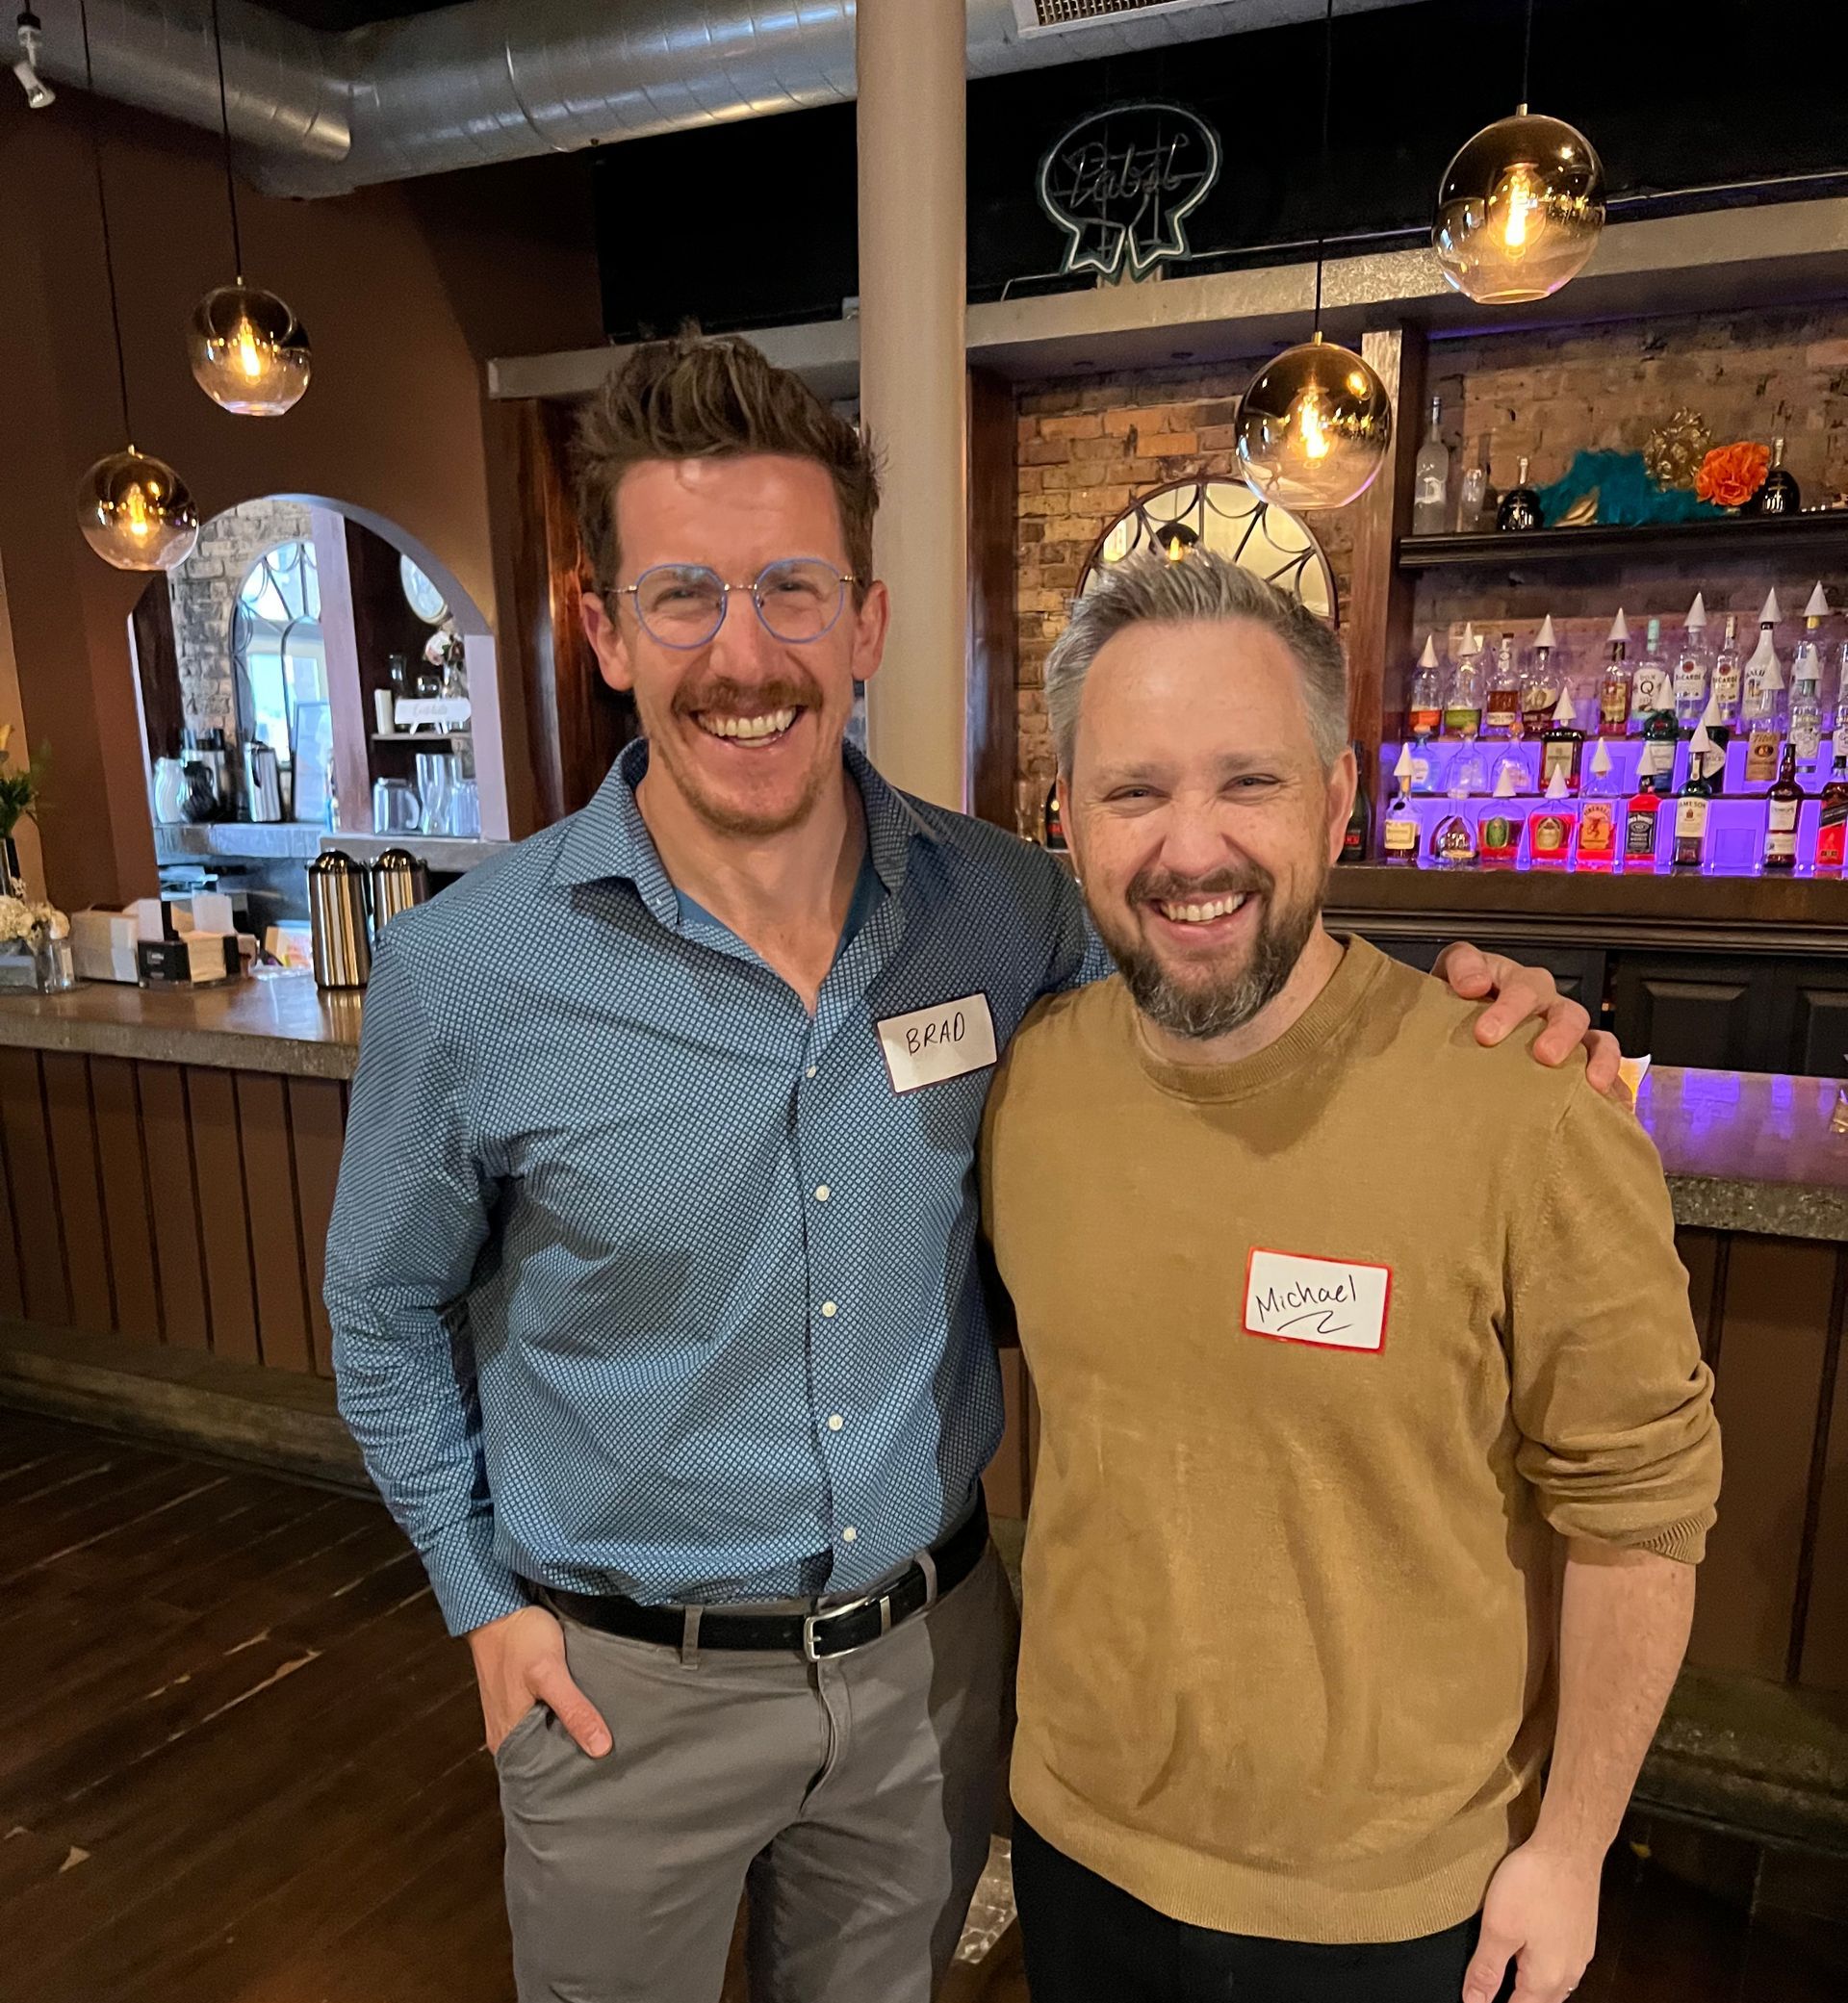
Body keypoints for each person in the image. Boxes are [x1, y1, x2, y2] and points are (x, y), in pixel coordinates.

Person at [324, 333, 1618, 2003]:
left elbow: (1216, 947)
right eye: (684, 596)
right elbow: (380, 1313)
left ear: (865, 626)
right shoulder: (471, 974)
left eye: (794, 590)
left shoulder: (1011, 913)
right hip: (615, 1686)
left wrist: (1463, 1018)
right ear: (603, 629)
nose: (745, 655)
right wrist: (478, 1592)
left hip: (929, 1671)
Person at [980, 551, 1723, 2003]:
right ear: (1068, 819)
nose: (1191, 848)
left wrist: (1570, 1848)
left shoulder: (1528, 1103)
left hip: (1390, 1912)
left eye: (1246, 782)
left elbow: (1643, 1515)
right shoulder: (1030, 1089)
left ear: (1338, 794)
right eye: (1135, 791)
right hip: (1076, 1844)